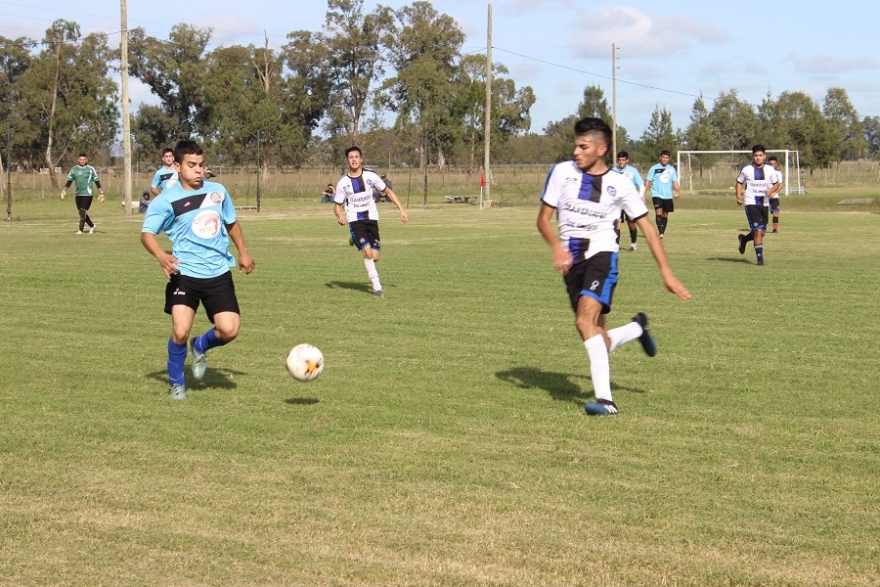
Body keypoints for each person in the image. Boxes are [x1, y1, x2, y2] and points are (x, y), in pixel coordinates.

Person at [537, 117, 691, 416]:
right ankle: (637, 328)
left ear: (601, 149)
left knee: (584, 321)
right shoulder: (561, 173)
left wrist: (667, 273)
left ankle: (606, 402)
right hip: (572, 264)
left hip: (602, 257)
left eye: (584, 147)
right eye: (575, 146)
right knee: (599, 339)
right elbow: (542, 219)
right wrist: (556, 246)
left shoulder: (620, 184)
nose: (577, 151)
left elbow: (648, 229)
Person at [141, 140, 255, 401]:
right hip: (185, 274)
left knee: (229, 330)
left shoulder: (218, 192)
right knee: (180, 331)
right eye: (191, 165)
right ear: (177, 166)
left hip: (218, 272)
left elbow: (232, 223)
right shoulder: (166, 200)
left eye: (201, 165)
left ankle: (200, 345)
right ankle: (177, 384)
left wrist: (244, 252)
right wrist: (161, 255)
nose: (198, 170)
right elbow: (146, 234)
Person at [334, 146, 408, 298]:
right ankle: (377, 286)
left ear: (361, 159)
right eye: (351, 157)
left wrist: (402, 210)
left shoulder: (371, 175)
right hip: (355, 219)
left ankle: (354, 239)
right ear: (347, 160)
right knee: (367, 253)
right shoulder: (343, 183)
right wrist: (339, 215)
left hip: (372, 218)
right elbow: (337, 206)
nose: (354, 160)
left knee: (375, 257)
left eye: (356, 157)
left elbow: (388, 192)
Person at [736, 145, 782, 266]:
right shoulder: (746, 169)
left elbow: (777, 184)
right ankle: (760, 260)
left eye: (760, 155)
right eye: (756, 155)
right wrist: (738, 196)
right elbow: (739, 182)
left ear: (764, 156)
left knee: (761, 233)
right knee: (757, 231)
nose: (758, 158)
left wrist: (772, 190)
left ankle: (744, 239)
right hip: (751, 203)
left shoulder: (770, 170)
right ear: (753, 156)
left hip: (764, 203)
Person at [61, 153, 104, 234]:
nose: (82, 161)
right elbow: (70, 181)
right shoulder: (74, 169)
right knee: (81, 213)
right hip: (78, 194)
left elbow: (97, 181)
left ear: (86, 160)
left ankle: (81, 230)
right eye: (80, 160)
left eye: (84, 160)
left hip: (87, 193)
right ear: (78, 160)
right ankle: (92, 226)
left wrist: (101, 193)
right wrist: (64, 190)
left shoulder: (90, 169)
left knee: (82, 211)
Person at [612, 151, 646, 251]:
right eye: (619, 160)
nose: (621, 162)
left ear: (627, 160)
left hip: (629, 202)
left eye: (623, 160)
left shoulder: (633, 171)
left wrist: (640, 196)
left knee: (631, 224)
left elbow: (641, 185)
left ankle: (633, 244)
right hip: (617, 202)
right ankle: (616, 246)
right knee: (617, 223)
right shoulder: (613, 171)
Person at [643, 150, 680, 239]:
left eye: (667, 158)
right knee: (658, 211)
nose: (665, 159)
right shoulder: (654, 168)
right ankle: (661, 233)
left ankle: (662, 231)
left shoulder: (671, 169)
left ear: (669, 158)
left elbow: (675, 181)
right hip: (657, 194)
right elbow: (648, 182)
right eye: (663, 157)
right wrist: (643, 194)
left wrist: (677, 191)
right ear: (660, 157)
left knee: (665, 214)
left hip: (667, 196)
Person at [767, 156, 782, 232]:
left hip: (774, 196)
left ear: (776, 164)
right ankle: (760, 228)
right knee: (761, 212)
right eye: (771, 164)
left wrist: (774, 193)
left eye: (774, 164)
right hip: (765, 196)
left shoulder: (778, 173)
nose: (772, 165)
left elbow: (780, 185)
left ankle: (775, 229)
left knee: (775, 212)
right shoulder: (764, 172)